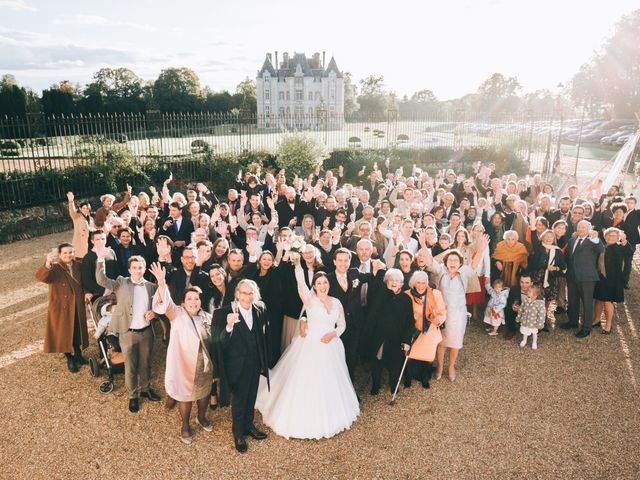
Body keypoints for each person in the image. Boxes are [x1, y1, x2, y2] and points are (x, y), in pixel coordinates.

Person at [255, 265, 359, 439]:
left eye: (325, 282)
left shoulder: (336, 302)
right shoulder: (309, 300)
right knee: (308, 379)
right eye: (319, 283)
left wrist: (333, 333)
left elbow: (342, 324)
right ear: (314, 286)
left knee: (330, 379)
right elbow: (301, 283)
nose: (323, 286)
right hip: (310, 344)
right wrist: (296, 263)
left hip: (331, 345)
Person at [150, 264, 214, 445]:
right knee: (185, 396)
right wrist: (162, 283)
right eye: (190, 299)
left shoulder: (206, 316)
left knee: (204, 394)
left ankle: (201, 417)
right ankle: (185, 425)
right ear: (183, 302)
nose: (194, 302)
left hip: (204, 365)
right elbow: (167, 303)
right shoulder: (177, 314)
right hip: (185, 365)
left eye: (197, 299)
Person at [95, 249, 160, 413]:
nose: (138, 270)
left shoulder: (152, 287)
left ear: (144, 269)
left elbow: (160, 306)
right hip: (127, 332)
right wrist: (101, 259)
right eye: (135, 267)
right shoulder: (121, 282)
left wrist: (155, 313)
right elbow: (101, 279)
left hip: (146, 332)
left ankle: (145, 389)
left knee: (146, 364)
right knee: (130, 366)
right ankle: (133, 396)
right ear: (130, 269)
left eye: (140, 267)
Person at [213, 279, 270, 453]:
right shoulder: (222, 313)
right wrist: (229, 326)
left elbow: (263, 335)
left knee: (251, 395)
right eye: (244, 293)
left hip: (255, 363)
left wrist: (264, 361)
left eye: (251, 293)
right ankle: (238, 433)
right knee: (239, 400)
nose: (248, 296)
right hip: (236, 365)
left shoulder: (260, 309)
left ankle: (248, 425)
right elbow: (219, 344)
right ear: (237, 294)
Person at [426, 237, 488, 381]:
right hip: (442, 314)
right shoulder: (441, 271)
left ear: (460, 263)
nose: (452, 263)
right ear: (446, 262)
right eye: (450, 260)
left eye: (455, 260)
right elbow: (430, 261)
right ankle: (440, 367)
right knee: (441, 343)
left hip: (458, 314)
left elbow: (474, 264)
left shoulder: (464, 272)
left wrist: (481, 249)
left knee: (455, 343)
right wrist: (423, 244)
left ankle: (451, 366)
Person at [35, 243, 89, 373]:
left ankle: (78, 354)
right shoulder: (54, 268)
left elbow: (85, 282)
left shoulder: (79, 266)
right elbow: (41, 277)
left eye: (70, 252)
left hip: (76, 304)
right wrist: (47, 262)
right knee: (64, 332)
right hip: (61, 306)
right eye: (65, 253)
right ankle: (69, 357)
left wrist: (87, 292)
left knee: (77, 329)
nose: (68, 255)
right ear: (60, 254)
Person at [560, 220, 604, 338]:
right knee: (573, 300)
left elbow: (601, 249)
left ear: (589, 229)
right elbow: (568, 257)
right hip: (572, 276)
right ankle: (573, 322)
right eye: (579, 227)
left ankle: (586, 328)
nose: (580, 229)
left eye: (583, 227)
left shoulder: (593, 241)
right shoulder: (572, 240)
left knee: (587, 303)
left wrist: (596, 238)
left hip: (587, 277)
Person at [403, 270, 446, 389]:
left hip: (430, 330)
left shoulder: (435, 294)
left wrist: (439, 319)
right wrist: (412, 317)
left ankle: (425, 378)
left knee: (428, 357)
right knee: (410, 356)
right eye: (418, 283)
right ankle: (408, 378)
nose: (421, 286)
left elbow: (442, 312)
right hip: (414, 330)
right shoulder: (407, 294)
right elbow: (403, 314)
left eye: (424, 283)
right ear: (413, 283)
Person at [593, 228, 634, 334]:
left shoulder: (619, 247)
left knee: (607, 301)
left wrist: (624, 240)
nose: (610, 237)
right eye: (608, 235)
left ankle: (608, 325)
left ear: (617, 238)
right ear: (605, 237)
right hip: (600, 278)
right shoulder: (602, 246)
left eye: (613, 236)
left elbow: (629, 252)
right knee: (598, 299)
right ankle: (597, 320)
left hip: (612, 280)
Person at [516, 285, 546, 349]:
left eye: (530, 291)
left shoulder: (540, 304)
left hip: (534, 323)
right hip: (525, 321)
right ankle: (524, 340)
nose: (528, 292)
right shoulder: (526, 300)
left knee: (534, 333)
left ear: (535, 295)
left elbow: (541, 314)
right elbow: (521, 309)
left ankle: (534, 342)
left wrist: (540, 323)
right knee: (525, 331)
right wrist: (519, 317)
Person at [66, 191, 94, 259]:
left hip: (90, 241)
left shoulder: (91, 218)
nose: (85, 210)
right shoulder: (77, 217)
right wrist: (71, 201)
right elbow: (72, 211)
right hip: (80, 242)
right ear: (80, 209)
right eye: (83, 208)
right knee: (81, 258)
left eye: (87, 208)